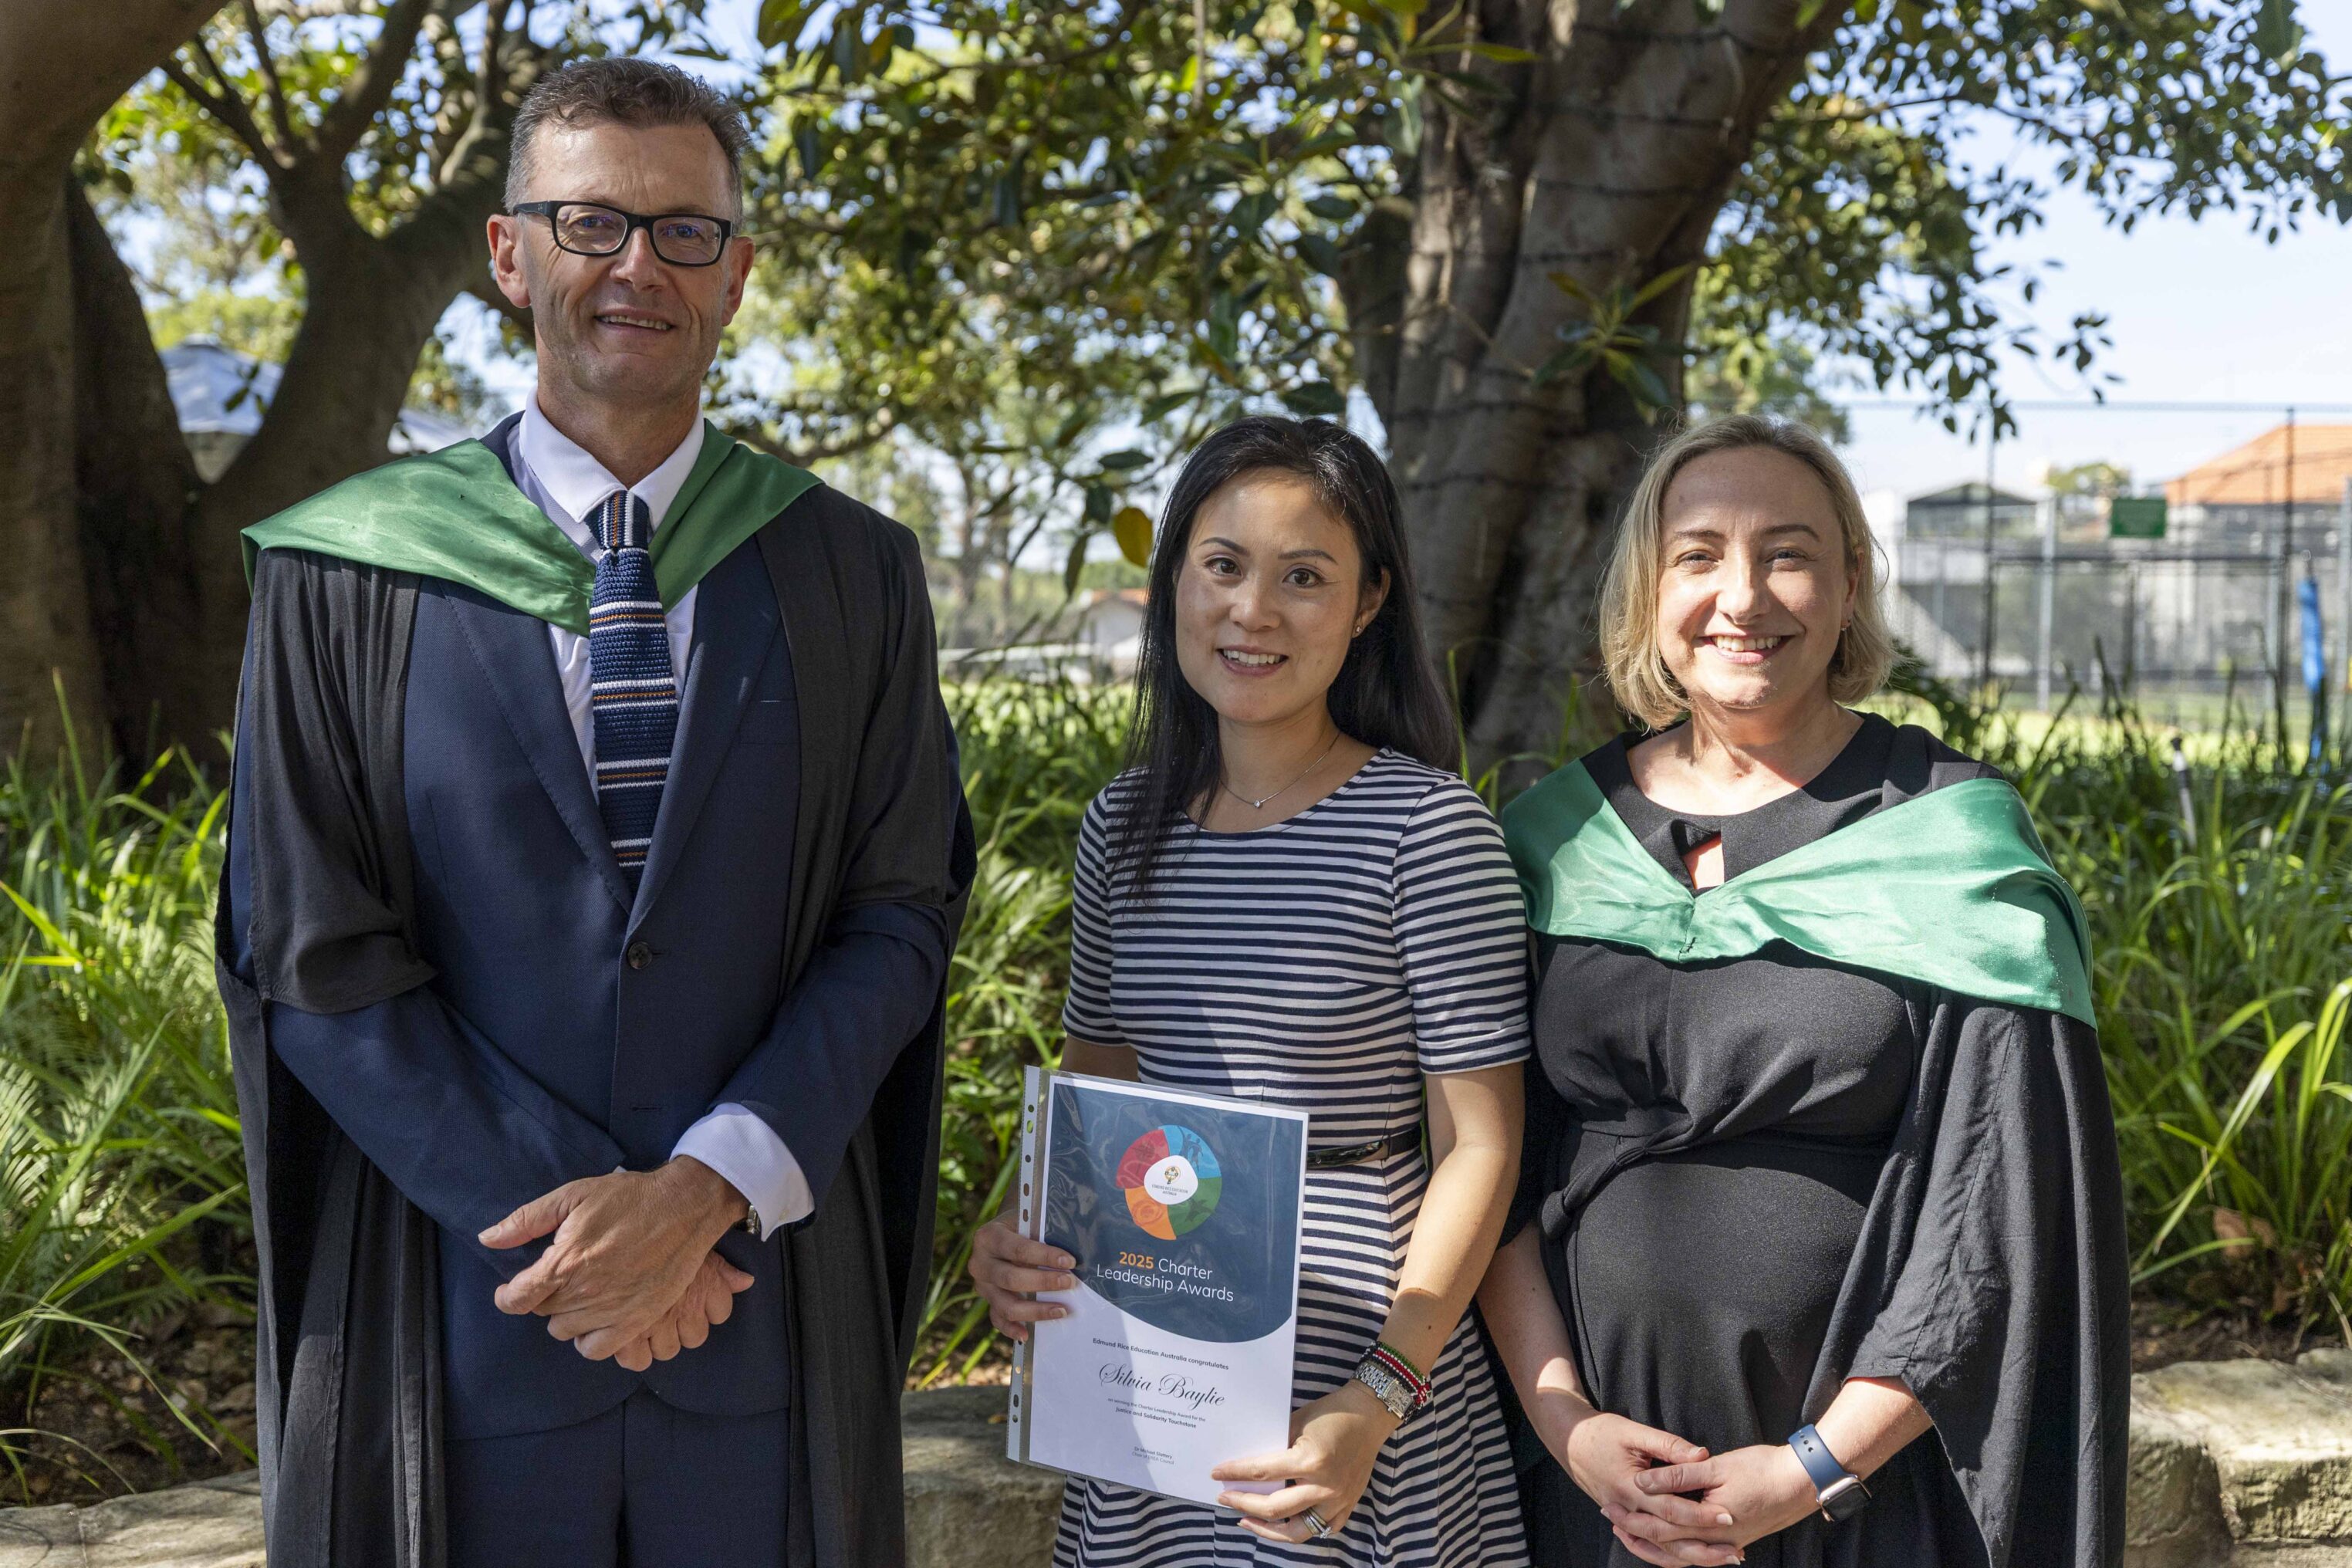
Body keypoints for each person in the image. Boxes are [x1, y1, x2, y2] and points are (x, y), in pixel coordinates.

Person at [214, 59, 972, 1568]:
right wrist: (586, 1237)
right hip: (459, 1322)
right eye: (591, 224)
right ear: (511, 255)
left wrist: (705, 1190)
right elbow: (309, 946)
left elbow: (899, 909)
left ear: (736, 273)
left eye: (686, 231)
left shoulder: (851, 571)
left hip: (758, 1319)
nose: (639, 266)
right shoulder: (347, 574)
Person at [1475, 414, 2128, 1568]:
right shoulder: (1555, 840)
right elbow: (1493, 1167)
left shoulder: (1948, 844)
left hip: (1860, 1501)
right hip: (1586, 1495)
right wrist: (1565, 1423)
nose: (1743, 596)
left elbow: (1997, 1212)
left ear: (1850, 583)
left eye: (1787, 554)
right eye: (1698, 555)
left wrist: (1812, 1468)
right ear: (1647, 591)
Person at [968, 416, 1533, 1565]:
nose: (1253, 611)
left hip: (1359, 1378)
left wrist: (1378, 1394)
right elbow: (1095, 1110)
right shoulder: (1121, 827)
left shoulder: (1427, 832)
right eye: (1223, 566)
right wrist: (1022, 1242)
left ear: (1370, 603)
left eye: (1305, 577)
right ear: (1174, 581)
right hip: (1152, 1364)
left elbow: (1480, 1146)